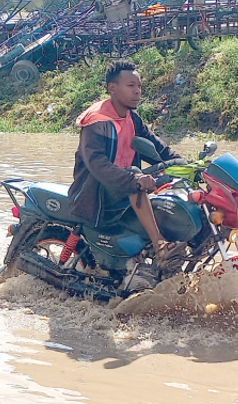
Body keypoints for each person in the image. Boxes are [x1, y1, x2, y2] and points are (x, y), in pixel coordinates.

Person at [68, 60, 184, 263]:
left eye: (139, 86)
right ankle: (159, 245)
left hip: (123, 185)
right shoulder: (96, 122)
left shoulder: (132, 118)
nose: (138, 91)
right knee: (134, 174)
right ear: (113, 89)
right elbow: (97, 165)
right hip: (94, 193)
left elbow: (159, 149)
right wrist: (134, 178)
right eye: (131, 86)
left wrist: (186, 164)